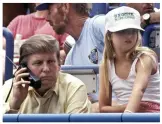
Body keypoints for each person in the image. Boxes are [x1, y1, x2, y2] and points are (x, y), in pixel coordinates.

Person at [3, 34, 91, 114]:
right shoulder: (10, 87)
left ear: (59, 65)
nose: (46, 69)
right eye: (38, 63)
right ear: (24, 68)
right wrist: (14, 106)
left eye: (51, 62)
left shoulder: (74, 87)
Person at [99, 6, 160, 113]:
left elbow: (139, 90)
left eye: (133, 30)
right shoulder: (106, 65)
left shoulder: (145, 58)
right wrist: (124, 109)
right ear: (109, 35)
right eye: (122, 31)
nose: (129, 35)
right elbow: (103, 108)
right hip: (126, 114)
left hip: (153, 114)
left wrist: (127, 114)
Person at [37, 3, 105, 65]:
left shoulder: (98, 24)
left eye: (49, 11)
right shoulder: (71, 58)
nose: (46, 18)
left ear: (65, 6)